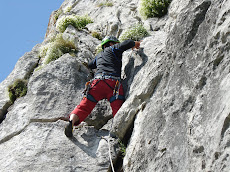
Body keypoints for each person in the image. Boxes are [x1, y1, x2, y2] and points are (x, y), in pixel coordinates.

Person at [65, 36, 141, 137]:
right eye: (115, 43)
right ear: (110, 44)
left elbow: (91, 64)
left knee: (84, 106)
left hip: (96, 83)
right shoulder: (113, 48)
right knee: (117, 108)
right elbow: (128, 42)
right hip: (113, 84)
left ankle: (71, 121)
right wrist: (136, 44)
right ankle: (118, 133)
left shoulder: (99, 55)